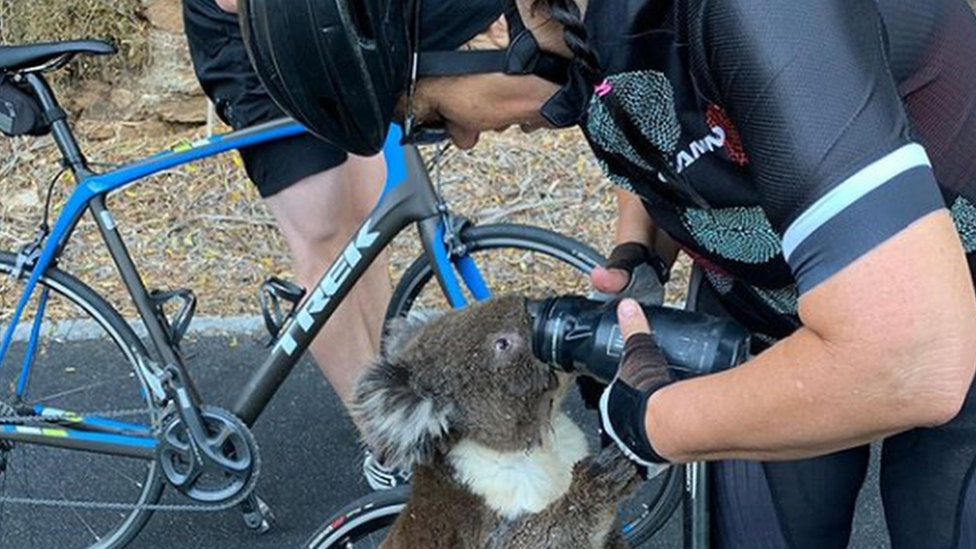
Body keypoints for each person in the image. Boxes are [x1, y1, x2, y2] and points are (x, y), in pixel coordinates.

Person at [242, 0, 976, 546]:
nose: (460, 141)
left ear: (485, 30)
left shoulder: (751, 9)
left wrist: (656, 423)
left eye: (431, 116)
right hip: (764, 305)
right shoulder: (581, 32)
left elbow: (911, 356)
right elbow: (662, 112)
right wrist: (639, 251)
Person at [179, 0, 503, 489]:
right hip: (256, 37)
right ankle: (387, 445)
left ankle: (388, 395)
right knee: (324, 243)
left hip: (329, 24)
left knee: (367, 226)